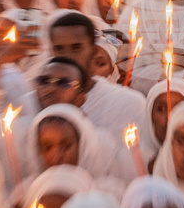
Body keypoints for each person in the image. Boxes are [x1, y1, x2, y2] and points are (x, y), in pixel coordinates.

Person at [48, 13, 145, 146]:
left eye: (76, 48)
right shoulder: (41, 100)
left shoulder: (128, 103)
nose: (67, 57)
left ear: (93, 51)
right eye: (59, 49)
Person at [140, 78, 184, 163]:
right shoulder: (132, 161)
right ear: (150, 115)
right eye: (161, 109)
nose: (169, 118)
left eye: (179, 108)